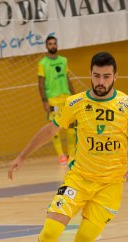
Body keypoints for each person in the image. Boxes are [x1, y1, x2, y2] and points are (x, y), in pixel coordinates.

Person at [9, 52, 128, 242]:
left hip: (110, 187)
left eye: (106, 76)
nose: (101, 81)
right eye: (96, 75)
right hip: (78, 179)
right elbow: (50, 130)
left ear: (115, 76)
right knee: (50, 232)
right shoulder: (75, 103)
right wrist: (22, 156)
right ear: (90, 74)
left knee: (83, 241)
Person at [38, 35, 77, 165]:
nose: (53, 46)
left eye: (54, 43)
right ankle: (61, 155)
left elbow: (67, 78)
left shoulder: (63, 60)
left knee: (72, 126)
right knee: (54, 127)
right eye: (50, 44)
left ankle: (71, 155)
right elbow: (41, 83)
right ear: (46, 46)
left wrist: (74, 95)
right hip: (53, 100)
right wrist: (44, 101)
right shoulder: (42, 63)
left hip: (66, 98)